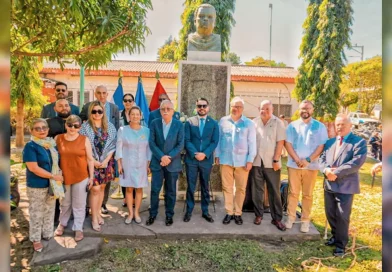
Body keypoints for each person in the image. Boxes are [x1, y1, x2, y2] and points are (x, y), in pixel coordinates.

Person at [319, 114, 367, 256]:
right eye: (337, 124)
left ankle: (341, 245)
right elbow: (322, 159)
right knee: (330, 213)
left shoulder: (359, 142)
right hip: (329, 185)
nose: (339, 127)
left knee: (342, 216)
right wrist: (326, 170)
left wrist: (336, 172)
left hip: (345, 186)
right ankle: (335, 237)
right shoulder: (330, 142)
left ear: (350, 125)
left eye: (343, 124)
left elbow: (356, 162)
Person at [284, 100, 328, 233]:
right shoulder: (292, 126)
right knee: (293, 193)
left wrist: (308, 160)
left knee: (308, 195)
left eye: (308, 108)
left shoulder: (319, 127)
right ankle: (290, 218)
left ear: (312, 110)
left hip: (311, 166)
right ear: (299, 110)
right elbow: (288, 144)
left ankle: (305, 220)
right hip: (294, 165)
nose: (305, 111)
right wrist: (297, 159)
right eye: (303, 108)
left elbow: (321, 146)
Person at [22, 118, 64, 252]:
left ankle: (47, 234)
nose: (41, 130)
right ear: (31, 131)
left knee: (49, 210)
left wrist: (58, 175)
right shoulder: (31, 146)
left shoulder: (51, 144)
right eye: (37, 128)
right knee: (36, 212)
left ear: (48, 129)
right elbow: (33, 168)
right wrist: (53, 176)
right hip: (37, 185)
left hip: (52, 184)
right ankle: (36, 239)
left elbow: (56, 163)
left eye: (44, 128)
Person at [215, 96, 256, 225]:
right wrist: (217, 155)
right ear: (230, 107)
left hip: (242, 162)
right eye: (233, 106)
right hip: (226, 160)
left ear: (242, 109)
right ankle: (229, 212)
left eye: (238, 107)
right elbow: (218, 140)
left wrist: (250, 160)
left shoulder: (249, 123)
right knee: (227, 187)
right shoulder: (223, 121)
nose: (235, 109)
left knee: (240, 188)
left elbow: (252, 143)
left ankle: (238, 213)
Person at [54, 115, 94, 242]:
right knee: (65, 203)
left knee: (79, 204)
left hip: (81, 176)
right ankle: (62, 223)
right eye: (70, 125)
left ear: (80, 127)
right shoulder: (58, 139)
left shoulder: (84, 139)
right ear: (66, 125)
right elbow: (54, 158)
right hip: (63, 176)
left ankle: (78, 228)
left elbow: (90, 159)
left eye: (76, 126)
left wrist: (91, 177)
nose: (73, 128)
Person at [80, 85, 119, 215]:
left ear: (107, 94)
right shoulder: (87, 107)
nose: (102, 95)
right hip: (91, 157)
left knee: (103, 186)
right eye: (99, 93)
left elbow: (116, 130)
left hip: (107, 155)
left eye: (104, 93)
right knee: (92, 186)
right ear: (95, 94)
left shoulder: (114, 108)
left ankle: (102, 205)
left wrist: (108, 158)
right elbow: (80, 122)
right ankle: (88, 207)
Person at [146, 100, 184, 226]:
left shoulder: (179, 125)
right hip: (157, 163)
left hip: (172, 164)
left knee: (171, 191)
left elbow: (180, 145)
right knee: (155, 190)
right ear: (160, 111)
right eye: (163, 109)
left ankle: (169, 215)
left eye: (168, 109)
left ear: (173, 111)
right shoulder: (154, 123)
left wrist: (169, 157)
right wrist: (162, 157)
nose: (166, 111)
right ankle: (153, 214)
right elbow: (152, 142)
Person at [250, 100, 286, 231]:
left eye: (267, 109)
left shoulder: (278, 123)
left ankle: (276, 218)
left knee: (274, 191)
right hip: (256, 162)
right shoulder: (254, 122)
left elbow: (280, 143)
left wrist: (276, 160)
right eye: (262, 108)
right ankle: (258, 215)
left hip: (272, 163)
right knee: (257, 190)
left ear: (272, 110)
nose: (264, 111)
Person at [183, 98, 219, 223]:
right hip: (192, 160)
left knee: (205, 186)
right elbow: (186, 140)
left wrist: (205, 154)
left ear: (208, 107)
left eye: (204, 106)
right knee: (191, 187)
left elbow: (215, 141)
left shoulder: (214, 123)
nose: (202, 108)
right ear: (196, 107)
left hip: (206, 160)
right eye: (199, 106)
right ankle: (189, 210)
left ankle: (205, 211)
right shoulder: (189, 122)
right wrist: (195, 153)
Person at [116, 106, 152, 224]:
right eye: (133, 114)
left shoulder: (146, 131)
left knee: (139, 188)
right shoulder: (122, 130)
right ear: (128, 116)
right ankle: (130, 213)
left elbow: (149, 149)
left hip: (141, 163)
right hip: (127, 163)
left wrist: (148, 164)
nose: (135, 116)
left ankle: (137, 212)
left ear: (141, 116)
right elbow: (119, 147)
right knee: (129, 188)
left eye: (137, 114)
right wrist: (119, 164)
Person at [46, 98, 72, 225]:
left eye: (66, 105)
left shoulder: (75, 122)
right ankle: (54, 217)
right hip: (55, 162)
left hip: (72, 162)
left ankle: (71, 214)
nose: (64, 108)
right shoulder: (49, 123)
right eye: (60, 106)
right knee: (55, 190)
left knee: (72, 189)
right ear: (55, 109)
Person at [118, 93, 136, 206]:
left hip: (136, 149)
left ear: (133, 102)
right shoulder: (119, 114)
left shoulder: (138, 113)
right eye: (125, 100)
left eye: (130, 100)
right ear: (123, 102)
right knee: (124, 173)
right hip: (123, 149)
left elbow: (143, 127)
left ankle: (134, 198)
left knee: (135, 174)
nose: (128, 102)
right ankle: (126, 198)